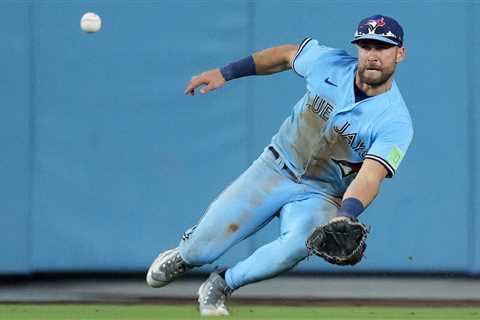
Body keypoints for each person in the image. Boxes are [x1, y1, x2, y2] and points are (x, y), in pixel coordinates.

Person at [146, 14, 413, 316]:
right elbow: (287, 55)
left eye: (382, 47)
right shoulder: (329, 64)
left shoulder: (395, 121)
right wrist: (227, 72)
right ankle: (185, 255)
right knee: (199, 251)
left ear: (399, 54)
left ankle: (222, 283)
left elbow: (370, 177)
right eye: (366, 46)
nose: (373, 55)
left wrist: (346, 215)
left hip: (321, 194)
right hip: (274, 168)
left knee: (301, 244)